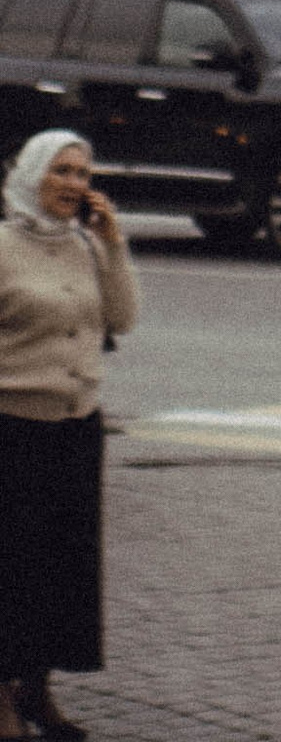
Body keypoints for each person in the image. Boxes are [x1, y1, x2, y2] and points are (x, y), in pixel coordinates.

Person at [0, 130, 136, 741]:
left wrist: (113, 245)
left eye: (82, 173)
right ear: (32, 175)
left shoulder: (85, 244)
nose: (74, 184)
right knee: (13, 568)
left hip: (77, 428)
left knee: (65, 570)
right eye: (60, 171)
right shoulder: (2, 246)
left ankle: (38, 688)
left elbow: (123, 317)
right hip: (13, 429)